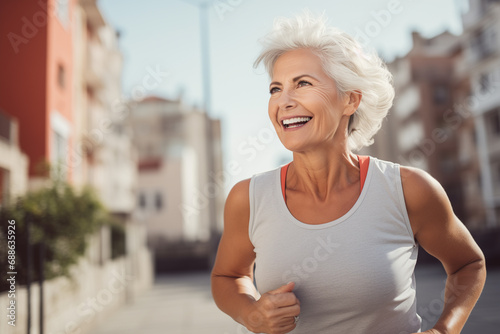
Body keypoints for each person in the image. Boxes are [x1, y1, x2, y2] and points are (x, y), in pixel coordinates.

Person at [211, 11, 486, 334]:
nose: (283, 101)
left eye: (302, 84)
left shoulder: (408, 190)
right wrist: (250, 313)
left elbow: (469, 264)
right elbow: (227, 277)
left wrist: (445, 329)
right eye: (275, 88)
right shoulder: (248, 199)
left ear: (350, 100)